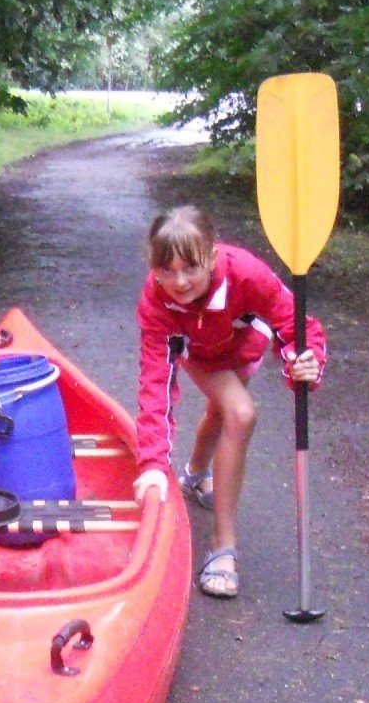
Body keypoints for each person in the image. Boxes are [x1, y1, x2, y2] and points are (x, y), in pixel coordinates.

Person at [132, 205, 327, 599]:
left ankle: (194, 473)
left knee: (220, 414)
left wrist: (305, 362)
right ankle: (223, 547)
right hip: (198, 354)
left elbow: (296, 325)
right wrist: (152, 462)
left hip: (242, 351)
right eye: (165, 270)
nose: (179, 281)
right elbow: (156, 382)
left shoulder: (246, 274)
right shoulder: (156, 300)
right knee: (240, 412)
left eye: (190, 267)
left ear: (212, 256)